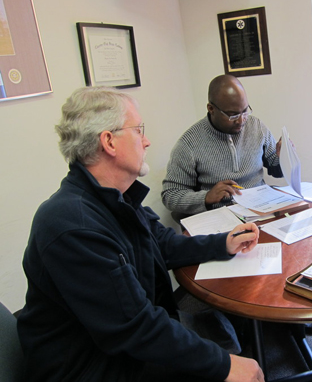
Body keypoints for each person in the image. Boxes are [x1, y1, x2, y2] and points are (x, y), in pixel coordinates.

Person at [17, 86, 265, 382]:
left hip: (123, 344)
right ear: (108, 141)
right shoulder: (72, 225)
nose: (146, 142)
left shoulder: (113, 197)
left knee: (221, 337)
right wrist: (224, 365)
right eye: (138, 131)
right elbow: (135, 326)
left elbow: (162, 243)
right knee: (226, 358)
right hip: (94, 367)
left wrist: (223, 243)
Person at [161, 74, 283, 218]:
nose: (241, 120)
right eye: (232, 115)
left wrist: (283, 157)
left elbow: (277, 170)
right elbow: (170, 195)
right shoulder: (189, 144)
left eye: (245, 111)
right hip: (220, 216)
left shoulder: (256, 127)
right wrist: (206, 197)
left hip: (261, 209)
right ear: (211, 109)